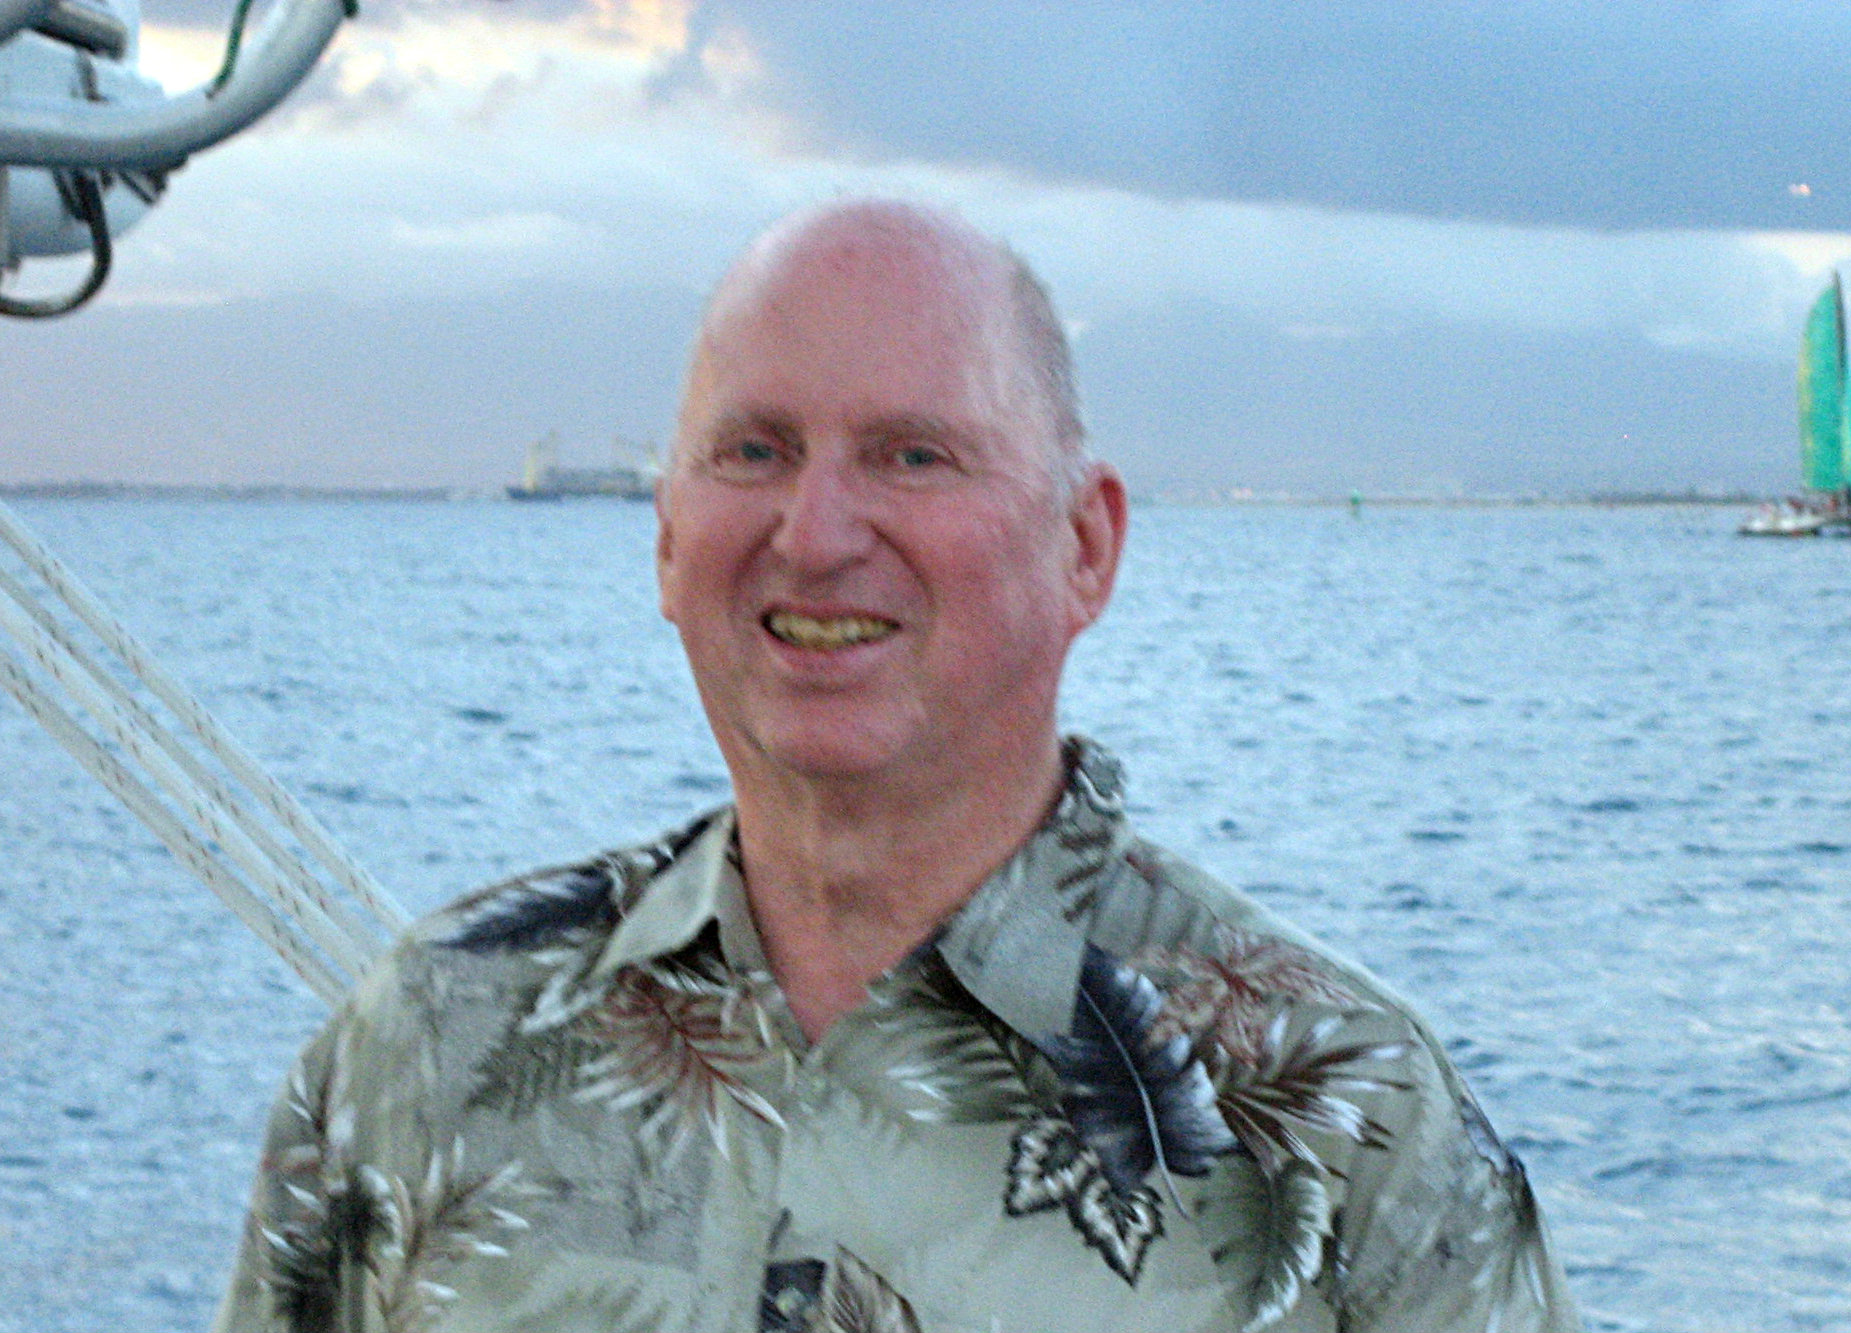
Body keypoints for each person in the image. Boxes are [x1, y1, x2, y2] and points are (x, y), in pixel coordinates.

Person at [213, 200, 1580, 1333]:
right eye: (755, 451)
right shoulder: (429, 1043)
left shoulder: (1341, 1118)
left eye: (912, 454)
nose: (814, 534)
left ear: (1086, 545)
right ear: (667, 535)